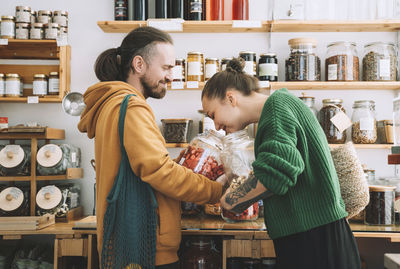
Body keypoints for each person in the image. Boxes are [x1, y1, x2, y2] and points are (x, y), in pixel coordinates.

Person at [78, 26, 224, 269]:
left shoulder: (111, 104)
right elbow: (159, 172)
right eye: (166, 67)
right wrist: (215, 191)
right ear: (139, 65)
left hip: (125, 243)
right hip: (144, 247)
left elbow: (147, 165)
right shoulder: (132, 107)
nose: (171, 76)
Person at [201, 58, 361, 269]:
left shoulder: (276, 109)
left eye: (213, 114)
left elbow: (277, 173)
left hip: (315, 238)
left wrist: (230, 201)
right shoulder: (277, 109)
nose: (217, 126)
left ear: (230, 98)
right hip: (313, 234)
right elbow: (282, 164)